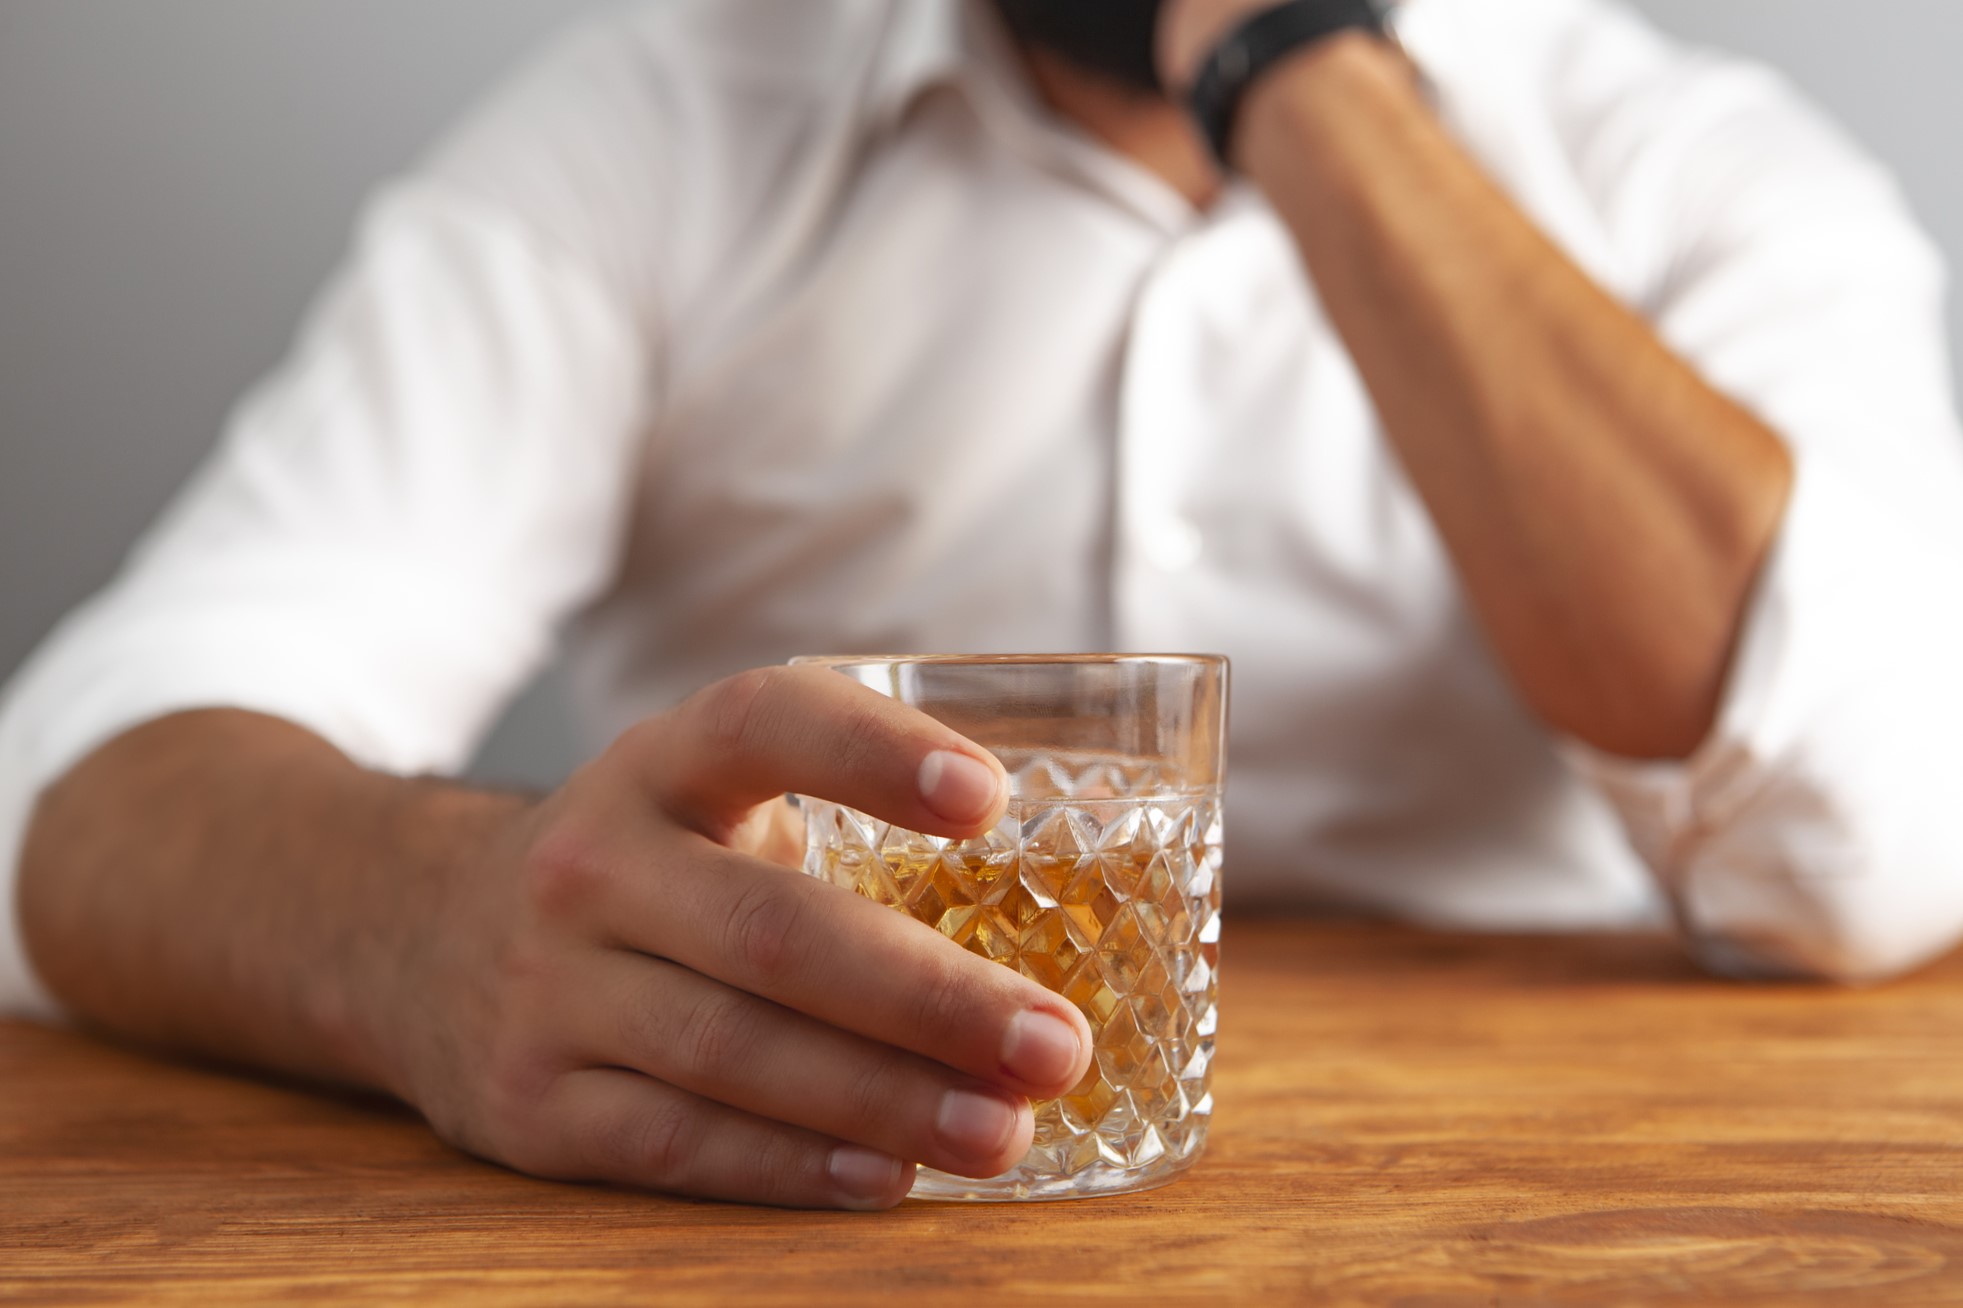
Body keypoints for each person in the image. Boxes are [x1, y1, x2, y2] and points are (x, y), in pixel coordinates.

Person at [4, 0, 1962, 1210]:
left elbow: (1876, 846)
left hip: (1556, 1224)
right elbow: (81, 781)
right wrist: (431, 928)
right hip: (817, 1233)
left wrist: (1287, 64)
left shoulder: (1699, 171)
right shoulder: (656, 129)